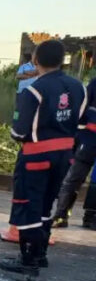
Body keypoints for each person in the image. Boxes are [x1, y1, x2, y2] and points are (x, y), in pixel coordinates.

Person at [2, 39, 85, 275]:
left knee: (28, 203)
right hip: (64, 156)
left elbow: (19, 132)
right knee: (47, 204)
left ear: (36, 60)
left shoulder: (34, 90)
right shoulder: (78, 87)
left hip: (36, 155)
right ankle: (41, 255)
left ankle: (27, 257)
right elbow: (80, 122)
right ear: (62, 61)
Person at [51, 72, 96, 228]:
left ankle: (90, 217)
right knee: (73, 178)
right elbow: (82, 111)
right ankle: (61, 215)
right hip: (89, 139)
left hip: (88, 137)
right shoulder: (94, 84)